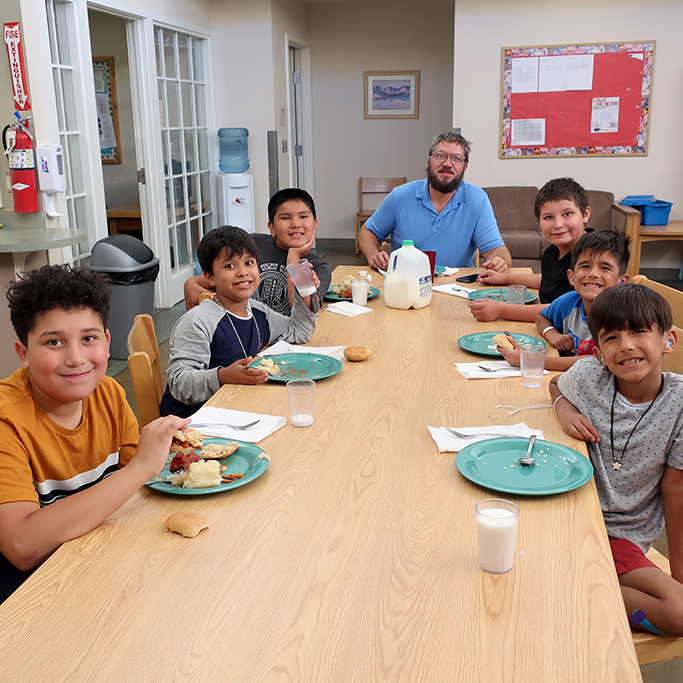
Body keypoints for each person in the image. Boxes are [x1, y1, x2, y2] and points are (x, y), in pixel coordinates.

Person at [0, 265, 187, 603]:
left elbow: (140, 493)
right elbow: (22, 547)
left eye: (89, 338)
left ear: (107, 341)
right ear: (23, 354)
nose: (76, 358)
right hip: (28, 593)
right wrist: (142, 467)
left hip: (95, 563)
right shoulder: (6, 420)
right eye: (54, 342)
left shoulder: (109, 393)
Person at [550, 283, 683, 636]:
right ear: (597, 352)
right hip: (568, 517)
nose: (625, 345)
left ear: (668, 340)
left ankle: (568, 585)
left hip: (621, 536)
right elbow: (555, 384)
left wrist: (679, 577)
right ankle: (569, 582)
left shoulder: (681, 402)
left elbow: (676, 490)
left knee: (679, 610)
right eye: (611, 337)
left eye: (638, 331)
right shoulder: (588, 377)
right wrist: (563, 410)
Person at [160, 225, 320, 418]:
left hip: (239, 409)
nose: (243, 272)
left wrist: (305, 291)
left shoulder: (258, 312)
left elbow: (299, 332)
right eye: (229, 266)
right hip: (193, 424)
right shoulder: (198, 321)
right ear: (210, 277)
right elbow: (179, 383)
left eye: (249, 263)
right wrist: (222, 376)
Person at [358, 131, 511, 272]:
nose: (447, 164)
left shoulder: (478, 199)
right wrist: (373, 253)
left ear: (464, 167)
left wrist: (499, 261)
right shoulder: (400, 196)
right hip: (405, 282)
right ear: (428, 162)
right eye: (440, 156)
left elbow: (496, 250)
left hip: (457, 287)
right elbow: (368, 231)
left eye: (456, 159)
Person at [497, 230, 630, 371]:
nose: (593, 274)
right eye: (585, 266)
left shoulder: (621, 317)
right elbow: (541, 316)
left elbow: (600, 361)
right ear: (571, 277)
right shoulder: (570, 301)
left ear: (622, 281)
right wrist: (551, 333)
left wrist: (531, 360)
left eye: (605, 268)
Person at [184, 188, 331, 314]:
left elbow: (303, 314)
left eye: (303, 216)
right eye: (285, 218)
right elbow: (203, 280)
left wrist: (294, 256)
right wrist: (189, 284)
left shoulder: (319, 268)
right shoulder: (252, 245)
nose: (295, 224)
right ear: (272, 227)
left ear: (314, 223)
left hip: (286, 338)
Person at [469, 177, 591, 322]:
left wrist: (501, 310)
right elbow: (550, 281)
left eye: (567, 214)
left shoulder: (591, 256)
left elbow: (566, 310)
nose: (558, 224)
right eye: (548, 217)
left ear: (585, 214)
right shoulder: (552, 252)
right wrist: (504, 278)